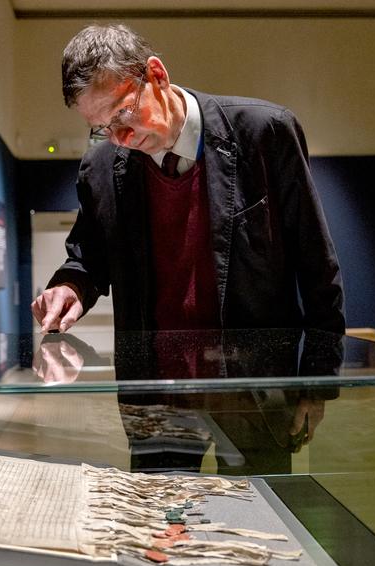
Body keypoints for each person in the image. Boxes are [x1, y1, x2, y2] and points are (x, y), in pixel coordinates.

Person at [31, 24, 345, 445]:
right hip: (155, 396)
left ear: (156, 75)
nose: (120, 138)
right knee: (154, 512)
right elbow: (89, 257)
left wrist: (317, 383)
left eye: (123, 113)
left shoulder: (265, 132)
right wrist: (71, 287)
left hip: (251, 390)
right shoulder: (102, 166)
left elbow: (318, 269)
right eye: (102, 127)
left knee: (255, 509)